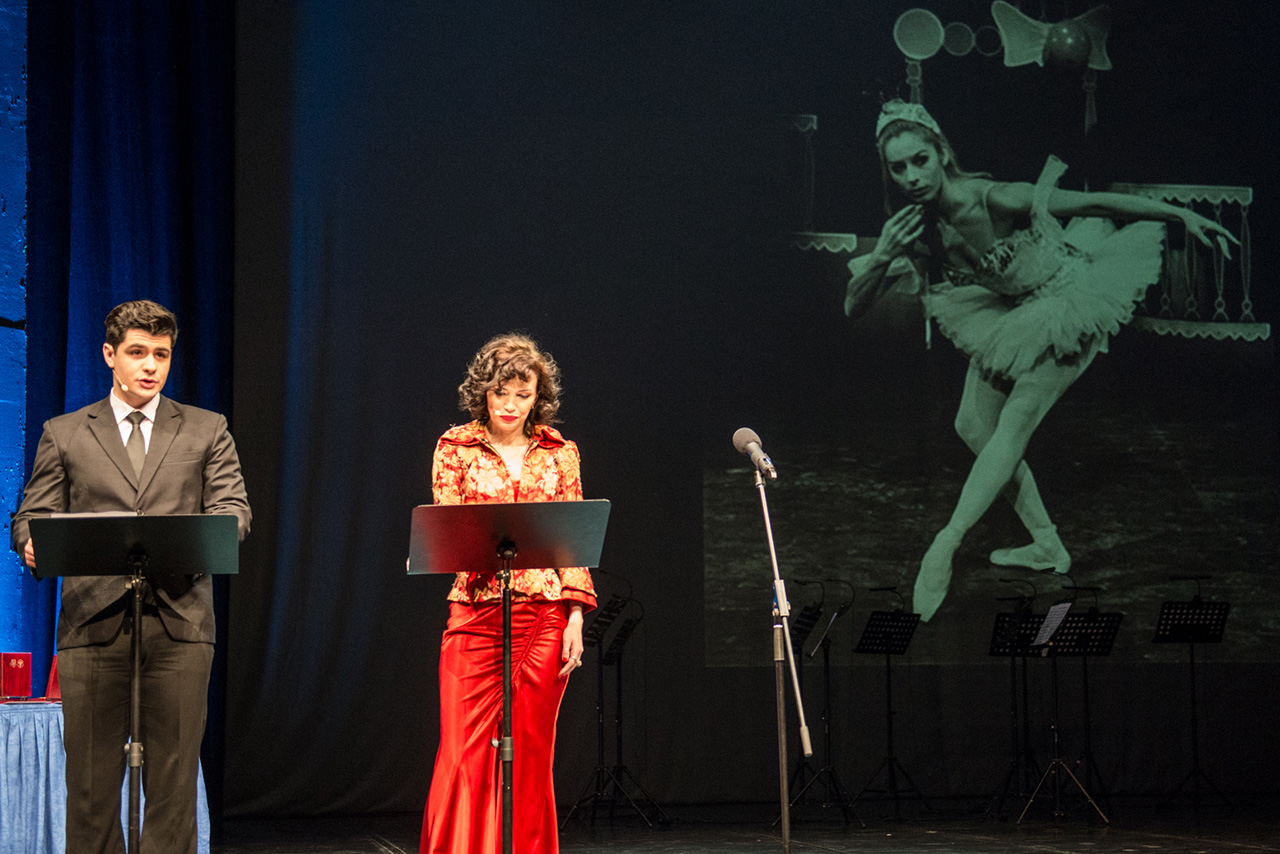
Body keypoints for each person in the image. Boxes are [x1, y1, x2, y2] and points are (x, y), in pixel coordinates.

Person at [845, 100, 1236, 622]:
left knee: (1015, 421)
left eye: (921, 160)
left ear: (942, 154)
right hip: (1011, 311)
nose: (913, 176)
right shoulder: (915, 229)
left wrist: (1180, 214)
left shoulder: (994, 197)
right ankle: (1047, 545)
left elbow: (1094, 203)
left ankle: (945, 544)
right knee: (971, 425)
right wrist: (881, 254)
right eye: (899, 167)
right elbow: (853, 307)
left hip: (1069, 300)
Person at [11, 299, 251, 854]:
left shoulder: (206, 429)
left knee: (172, 787)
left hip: (180, 624)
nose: (150, 366)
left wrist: (208, 536)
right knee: (91, 789)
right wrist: (29, 541)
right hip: (92, 625)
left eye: (161, 355)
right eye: (138, 352)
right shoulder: (65, 433)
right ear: (109, 355)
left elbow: (233, 510)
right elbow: (32, 515)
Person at [420, 333, 595, 854]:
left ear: (538, 396)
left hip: (543, 618)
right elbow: (449, 532)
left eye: (523, 394)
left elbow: (572, 542)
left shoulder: (560, 452)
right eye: (501, 393)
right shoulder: (455, 447)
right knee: (462, 753)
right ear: (484, 391)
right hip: (476, 613)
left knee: (532, 756)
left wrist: (575, 617)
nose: (511, 405)